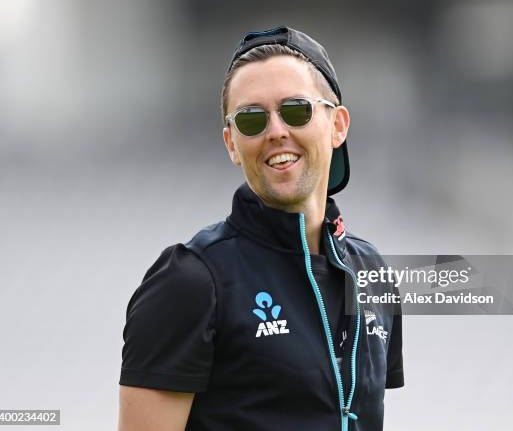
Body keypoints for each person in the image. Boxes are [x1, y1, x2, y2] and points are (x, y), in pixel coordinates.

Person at [118, 26, 403, 431]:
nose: (275, 131)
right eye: (252, 119)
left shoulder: (373, 271)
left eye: (296, 110)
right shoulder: (189, 280)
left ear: (337, 125)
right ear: (232, 143)